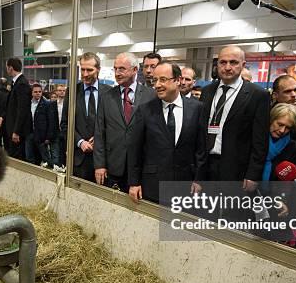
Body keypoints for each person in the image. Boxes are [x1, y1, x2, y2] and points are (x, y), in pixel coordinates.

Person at [127, 61, 207, 203]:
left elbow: (201, 148)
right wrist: (134, 182)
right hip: (152, 185)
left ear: (178, 80)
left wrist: (199, 179)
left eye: (163, 80)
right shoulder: (145, 110)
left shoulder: (197, 108)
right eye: (154, 80)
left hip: (185, 186)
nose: (157, 85)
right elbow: (135, 149)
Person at [200, 45, 270, 190]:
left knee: (231, 210)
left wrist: (253, 174)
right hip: (206, 166)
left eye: (233, 62)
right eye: (223, 62)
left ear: (243, 65)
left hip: (237, 168)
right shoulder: (207, 92)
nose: (227, 67)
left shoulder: (257, 95)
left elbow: (260, 141)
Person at [94, 52, 156, 192]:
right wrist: (100, 165)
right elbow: (99, 132)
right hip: (113, 167)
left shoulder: (151, 96)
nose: (117, 73)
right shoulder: (106, 97)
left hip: (141, 168)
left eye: (122, 68)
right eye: (115, 69)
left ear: (135, 70)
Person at [61, 52, 112, 182]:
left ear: (98, 70)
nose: (85, 74)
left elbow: (113, 124)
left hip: (102, 161)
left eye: (89, 70)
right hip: (78, 160)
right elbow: (65, 124)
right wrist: (80, 142)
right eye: (82, 69)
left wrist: (100, 137)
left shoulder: (109, 93)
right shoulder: (72, 91)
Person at [3, 57, 31, 160]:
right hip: (12, 128)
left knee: (17, 159)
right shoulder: (16, 82)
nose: (7, 69)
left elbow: (22, 110)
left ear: (10, 68)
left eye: (7, 67)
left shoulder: (22, 84)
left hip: (17, 132)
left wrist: (16, 131)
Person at [25, 84, 56, 167]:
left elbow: (51, 122)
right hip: (30, 134)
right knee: (29, 158)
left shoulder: (47, 104)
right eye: (35, 92)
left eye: (39, 92)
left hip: (42, 137)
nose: (38, 93)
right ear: (32, 93)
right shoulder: (28, 103)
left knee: (46, 159)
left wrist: (48, 137)